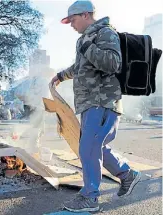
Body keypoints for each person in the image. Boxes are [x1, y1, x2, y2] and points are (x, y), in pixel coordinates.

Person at [50, 1, 141, 212]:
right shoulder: (85, 39)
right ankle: (127, 174)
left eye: (72, 20)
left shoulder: (105, 33)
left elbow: (112, 63)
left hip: (102, 101)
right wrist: (61, 76)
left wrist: (87, 47)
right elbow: (81, 67)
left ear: (85, 15)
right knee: (94, 147)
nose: (71, 25)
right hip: (91, 102)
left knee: (88, 148)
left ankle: (90, 197)